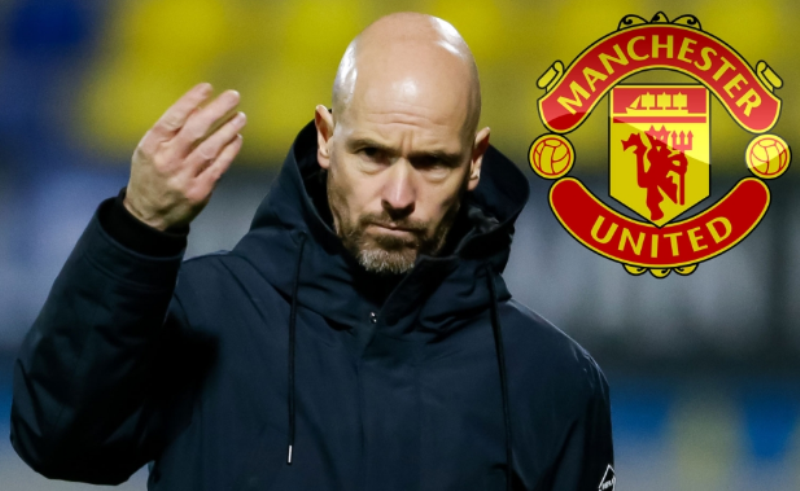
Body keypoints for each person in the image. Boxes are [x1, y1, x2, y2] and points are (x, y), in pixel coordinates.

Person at [10, 12, 614, 491]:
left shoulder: (553, 381)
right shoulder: (203, 316)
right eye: (372, 154)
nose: (398, 196)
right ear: (326, 138)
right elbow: (56, 440)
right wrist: (137, 230)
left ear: (475, 161)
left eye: (432, 162)